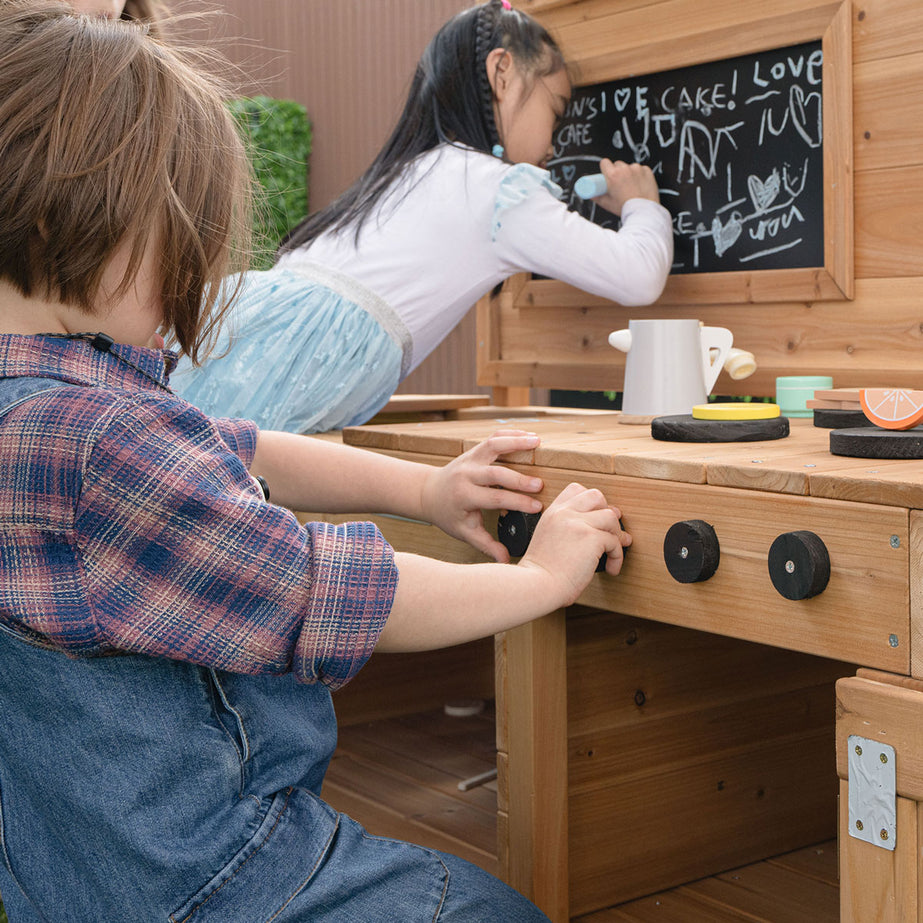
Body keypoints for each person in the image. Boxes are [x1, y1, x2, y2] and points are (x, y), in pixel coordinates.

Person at [0, 5, 630, 921]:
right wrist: (540, 577)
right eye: (176, 243)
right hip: (215, 876)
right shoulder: (98, 440)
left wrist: (423, 487)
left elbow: (235, 448)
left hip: (66, 876)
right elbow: (324, 592)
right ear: (72, 222)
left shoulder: (54, 404)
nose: (192, 285)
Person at [170, 0, 674, 433]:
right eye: (556, 110)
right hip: (302, 354)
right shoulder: (500, 192)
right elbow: (636, 276)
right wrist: (641, 203)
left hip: (251, 324)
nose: (555, 140)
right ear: (503, 73)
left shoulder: (415, 169)